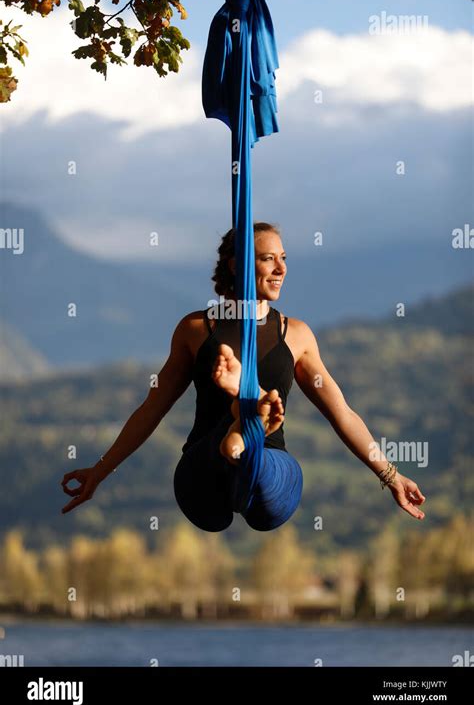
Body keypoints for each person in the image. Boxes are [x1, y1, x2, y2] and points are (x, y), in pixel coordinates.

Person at [61, 222, 426, 531]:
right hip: (204, 475)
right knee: (225, 481)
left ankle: (244, 422)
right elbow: (152, 408)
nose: (281, 268)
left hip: (268, 472)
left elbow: (341, 413)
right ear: (237, 266)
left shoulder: (296, 335)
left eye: (284, 259)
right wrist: (100, 470)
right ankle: (243, 420)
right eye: (268, 258)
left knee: (267, 476)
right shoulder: (196, 330)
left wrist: (391, 476)